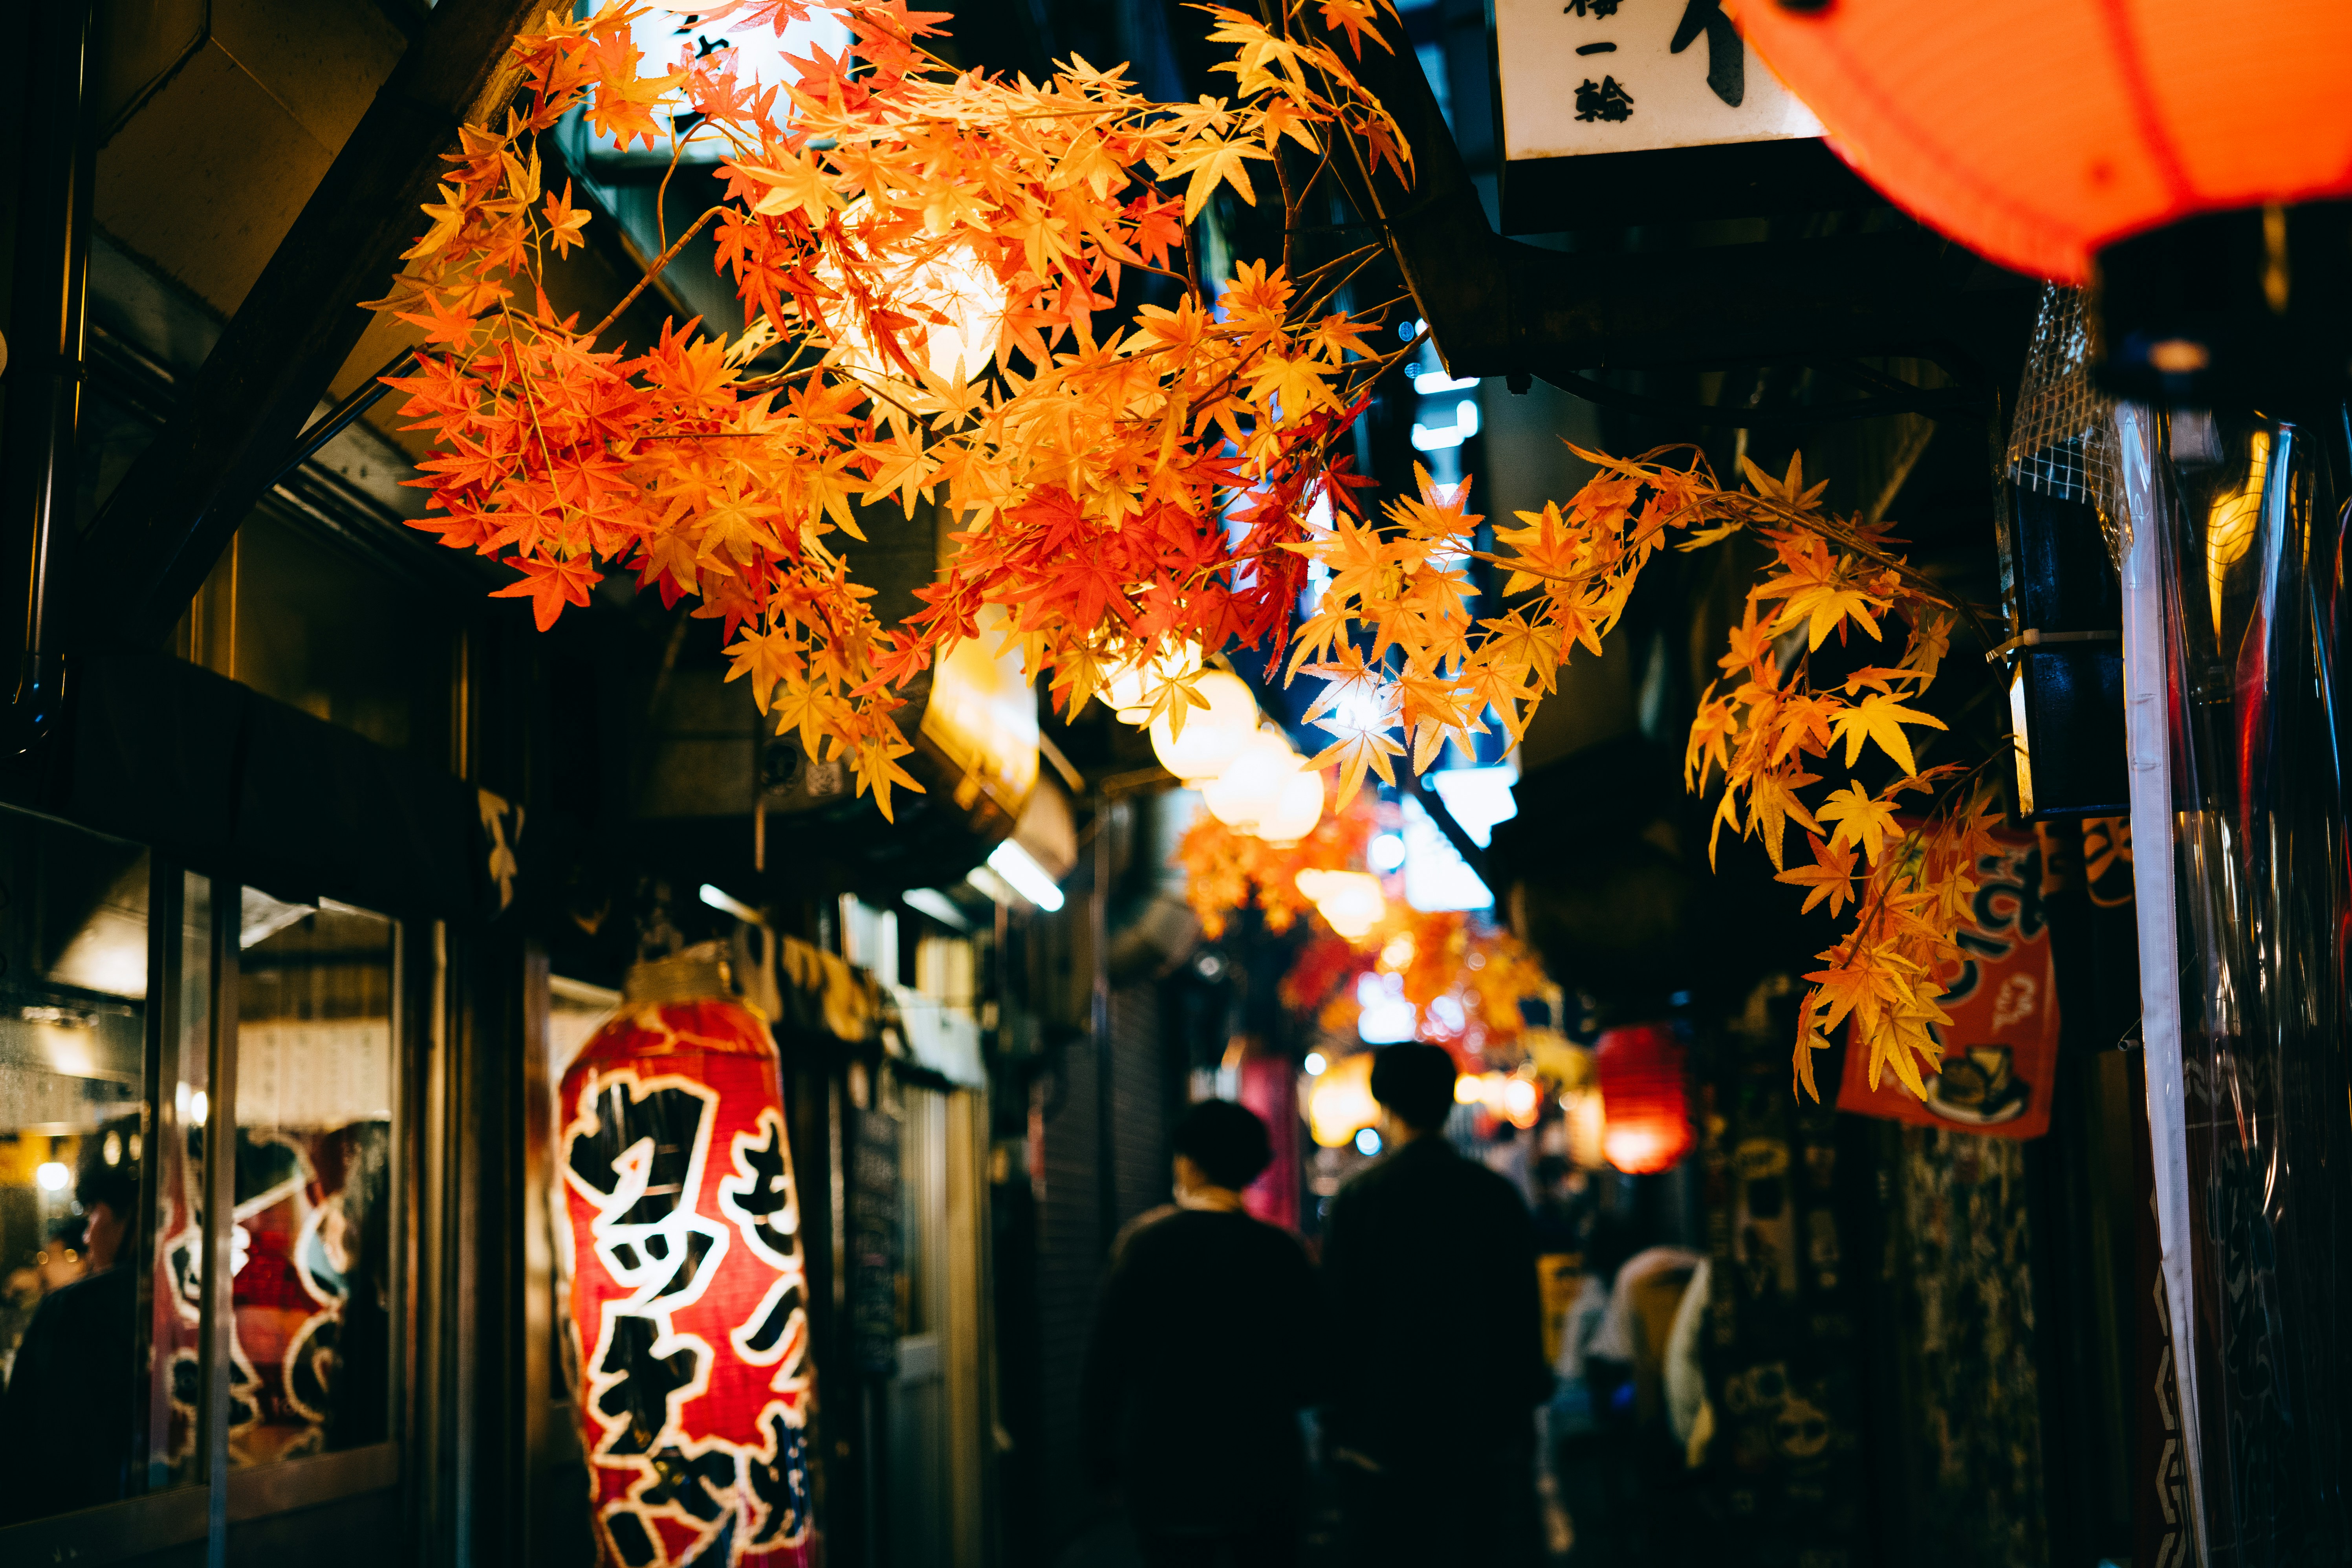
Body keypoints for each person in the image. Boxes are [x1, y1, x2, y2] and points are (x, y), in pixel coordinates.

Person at [1321, 1042, 1550, 1566]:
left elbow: (1340, 1316)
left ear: (1384, 1104)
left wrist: (1338, 1420)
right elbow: (1520, 1311)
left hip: (1385, 1431)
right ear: (1449, 1102)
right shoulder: (1494, 1196)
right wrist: (1523, 1406)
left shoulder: (1361, 1199)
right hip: (1479, 1428)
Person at [1079, 1099, 1321, 1568]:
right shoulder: (1281, 1251)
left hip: (1169, 1466)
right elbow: (1314, 1364)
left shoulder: (1144, 1243)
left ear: (1187, 1163)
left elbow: (1105, 1364)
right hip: (1265, 1468)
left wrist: (1101, 1463)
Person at [0, 1119, 142, 1524]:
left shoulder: (74, 1310)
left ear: (127, 1214)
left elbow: (24, 1454)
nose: (86, 1235)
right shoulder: (203, 1301)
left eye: (91, 1212)